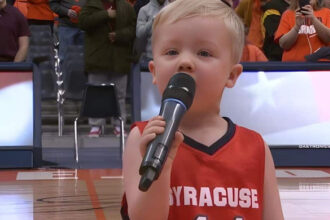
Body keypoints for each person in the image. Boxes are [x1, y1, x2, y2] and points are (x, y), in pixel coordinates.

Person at [121, 0, 284, 219]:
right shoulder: (142, 138)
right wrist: (162, 169)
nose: (185, 61)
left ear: (232, 75)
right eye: (171, 51)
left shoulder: (256, 147)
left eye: (204, 53)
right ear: (154, 71)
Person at [78, 0, 136, 137]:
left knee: (120, 95)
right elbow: (83, 23)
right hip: (97, 57)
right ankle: (96, 126)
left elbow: (133, 30)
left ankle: (119, 124)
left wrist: (119, 35)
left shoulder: (126, 6)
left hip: (120, 58)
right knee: (96, 93)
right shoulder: (91, 4)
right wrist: (105, 15)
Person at [49, 0, 85, 66]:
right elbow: (53, 4)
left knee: (84, 58)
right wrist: (66, 11)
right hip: (66, 27)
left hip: (85, 27)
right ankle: (64, 75)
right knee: (64, 58)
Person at [135, 0, 169, 64]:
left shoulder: (173, 9)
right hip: (149, 57)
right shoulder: (144, 10)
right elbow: (139, 33)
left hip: (169, 56)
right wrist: (152, 22)